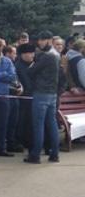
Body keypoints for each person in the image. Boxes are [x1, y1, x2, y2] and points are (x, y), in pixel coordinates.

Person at [25, 31, 60, 164]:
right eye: (39, 40)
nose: (39, 43)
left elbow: (31, 71)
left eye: (42, 40)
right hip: (52, 93)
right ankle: (54, 154)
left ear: (49, 40)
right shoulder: (56, 54)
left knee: (38, 125)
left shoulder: (46, 56)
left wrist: (32, 63)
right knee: (52, 124)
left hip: (41, 93)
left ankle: (35, 155)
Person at [15, 43, 36, 151]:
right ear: (23, 54)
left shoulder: (36, 64)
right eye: (29, 53)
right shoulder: (17, 66)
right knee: (22, 120)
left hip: (34, 96)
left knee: (32, 121)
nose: (32, 55)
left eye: (33, 53)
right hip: (23, 97)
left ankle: (31, 141)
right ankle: (20, 141)